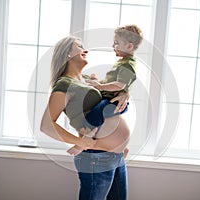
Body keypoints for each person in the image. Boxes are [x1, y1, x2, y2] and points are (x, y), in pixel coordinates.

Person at [43, 35, 131, 200]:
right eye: (79, 45)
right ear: (67, 54)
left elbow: (110, 96)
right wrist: (80, 142)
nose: (86, 50)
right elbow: (47, 125)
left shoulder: (85, 80)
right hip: (96, 158)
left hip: (115, 156)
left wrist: (125, 94)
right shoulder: (64, 84)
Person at [67, 24, 143, 156]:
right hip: (110, 99)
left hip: (113, 102)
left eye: (116, 43)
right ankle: (120, 149)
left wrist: (100, 86)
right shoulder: (122, 62)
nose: (113, 46)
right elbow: (112, 83)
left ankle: (84, 141)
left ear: (129, 46)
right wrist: (97, 82)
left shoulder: (128, 64)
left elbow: (120, 85)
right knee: (95, 110)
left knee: (95, 114)